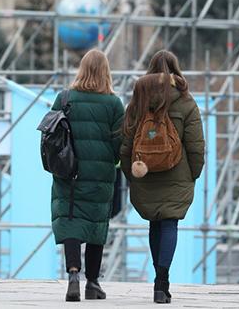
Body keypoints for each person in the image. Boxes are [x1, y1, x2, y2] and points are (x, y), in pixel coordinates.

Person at [120, 50, 205, 304]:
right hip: (177, 172)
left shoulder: (138, 100)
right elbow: (196, 145)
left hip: (143, 171)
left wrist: (130, 172)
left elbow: (126, 141)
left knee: (154, 224)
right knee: (169, 223)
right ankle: (162, 282)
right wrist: (193, 173)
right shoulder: (186, 102)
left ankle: (158, 279)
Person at [50, 49, 124, 302]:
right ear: (106, 72)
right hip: (101, 173)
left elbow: (50, 135)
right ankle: (92, 282)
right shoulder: (114, 104)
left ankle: (73, 275)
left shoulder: (65, 98)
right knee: (95, 225)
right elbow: (120, 144)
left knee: (71, 220)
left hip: (68, 171)